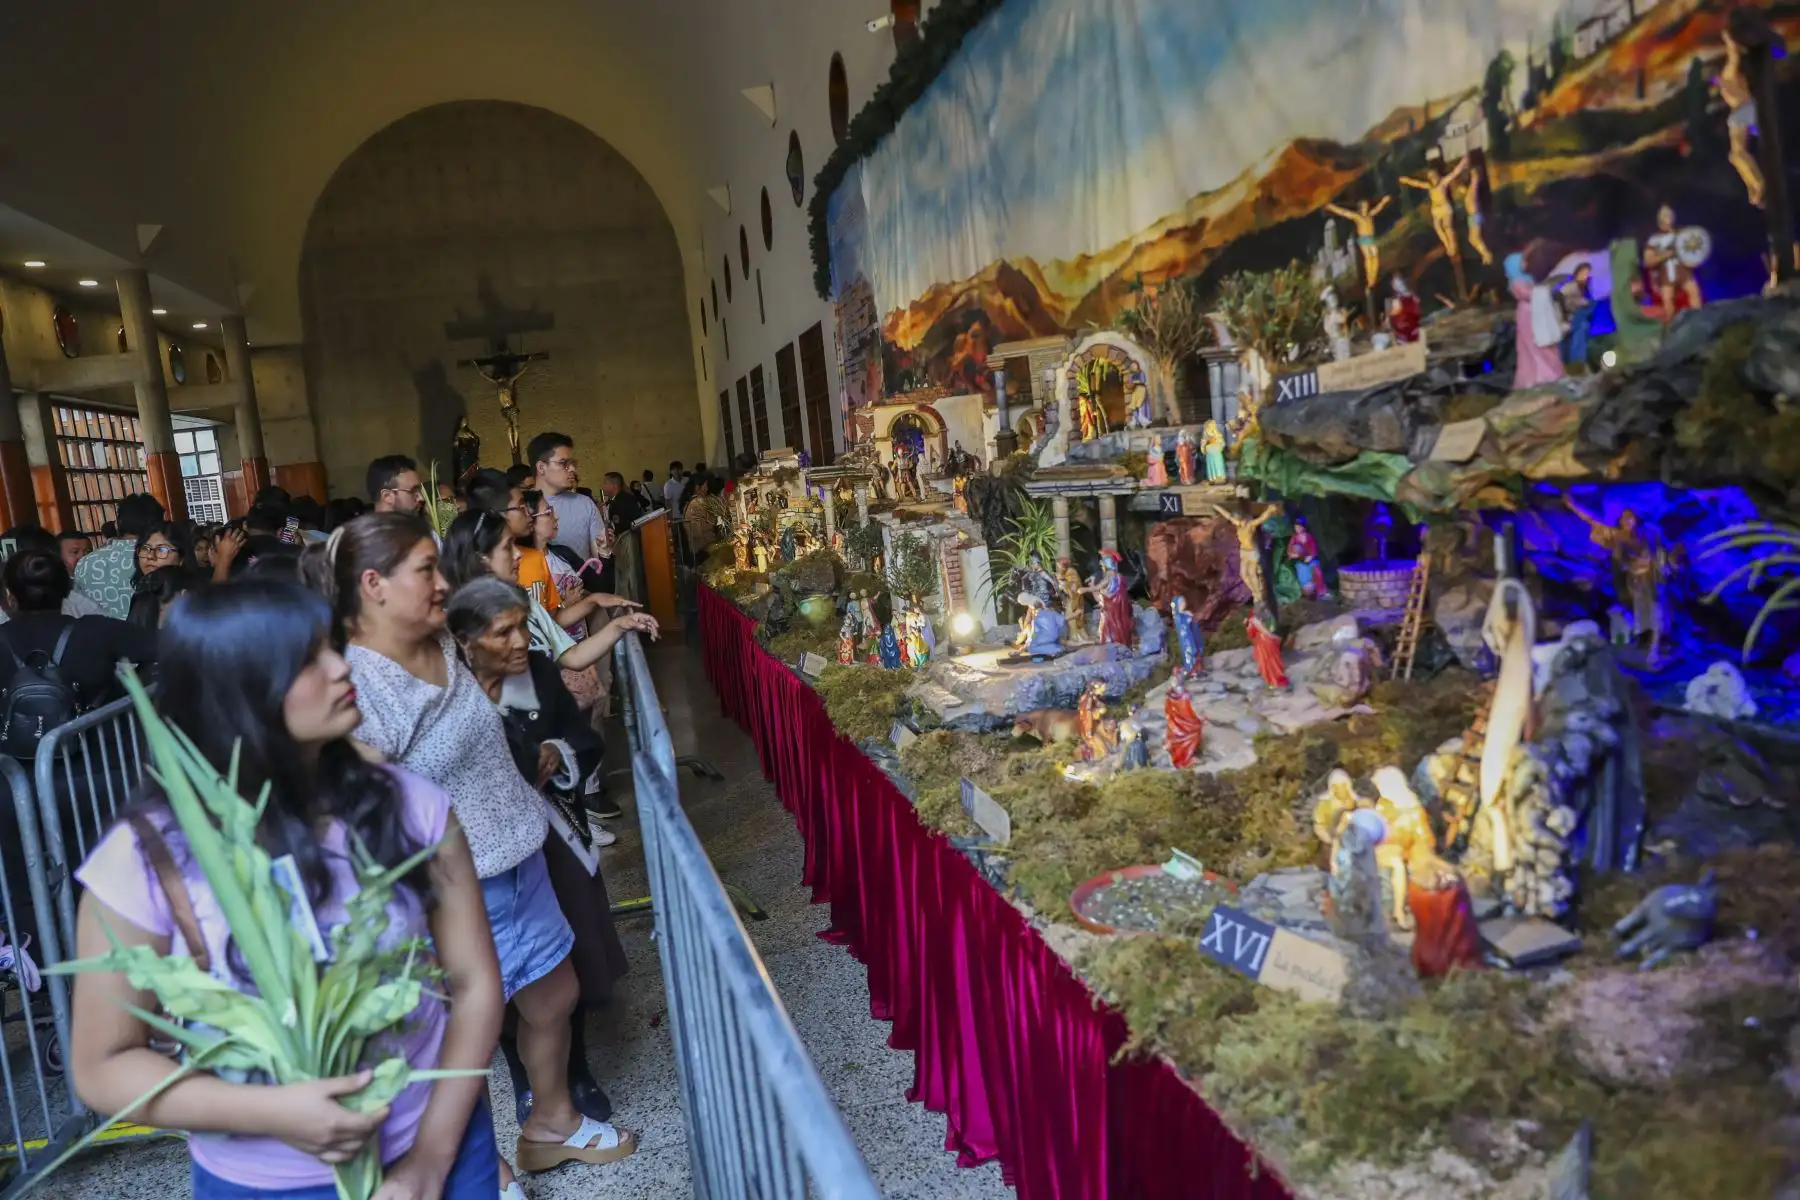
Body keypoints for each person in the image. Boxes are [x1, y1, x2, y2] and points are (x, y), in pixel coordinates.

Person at [66, 577, 505, 1199]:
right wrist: (275, 1113)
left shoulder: (410, 808)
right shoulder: (146, 858)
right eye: (305, 660)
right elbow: (102, 1066)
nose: (338, 666)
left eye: (331, 644)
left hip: (436, 1153)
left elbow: (475, 983)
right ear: (235, 693)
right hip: (263, 1184)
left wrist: (430, 1163)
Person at [303, 514, 640, 1183]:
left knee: (552, 996)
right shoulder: (362, 683)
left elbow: (504, 678)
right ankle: (489, 1168)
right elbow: (357, 800)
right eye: (426, 569)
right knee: (462, 1032)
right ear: (372, 584)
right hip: (457, 883)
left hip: (519, 851)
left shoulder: (441, 638)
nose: (444, 580)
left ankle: (551, 1123)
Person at [447, 578, 629, 1132]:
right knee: (494, 981)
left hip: (550, 832)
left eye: (523, 625)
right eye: (504, 631)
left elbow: (583, 736)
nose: (522, 640)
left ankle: (574, 1073)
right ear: (464, 640)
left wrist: (558, 751)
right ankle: (525, 1083)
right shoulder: (444, 696)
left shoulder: (540, 674)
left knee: (561, 963)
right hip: (478, 855)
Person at [0, 548, 157, 713]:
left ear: (10, 596)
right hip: (100, 735)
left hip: (18, 738)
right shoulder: (98, 630)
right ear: (67, 590)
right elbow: (167, 647)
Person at [527, 433, 610, 592]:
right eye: (563, 463)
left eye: (572, 463)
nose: (572, 469)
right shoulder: (524, 507)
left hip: (584, 595)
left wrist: (606, 550)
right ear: (541, 467)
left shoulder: (585, 504)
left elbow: (598, 562)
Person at [75, 493, 165, 619]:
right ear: (159, 525)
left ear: (117, 524)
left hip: (98, 636)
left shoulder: (86, 563)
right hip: (149, 636)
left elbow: (76, 610)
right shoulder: (161, 558)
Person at [682, 476, 728, 556]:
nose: (706, 489)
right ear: (697, 487)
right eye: (705, 486)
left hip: (698, 544)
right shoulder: (698, 503)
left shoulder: (691, 502)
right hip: (703, 546)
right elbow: (705, 526)